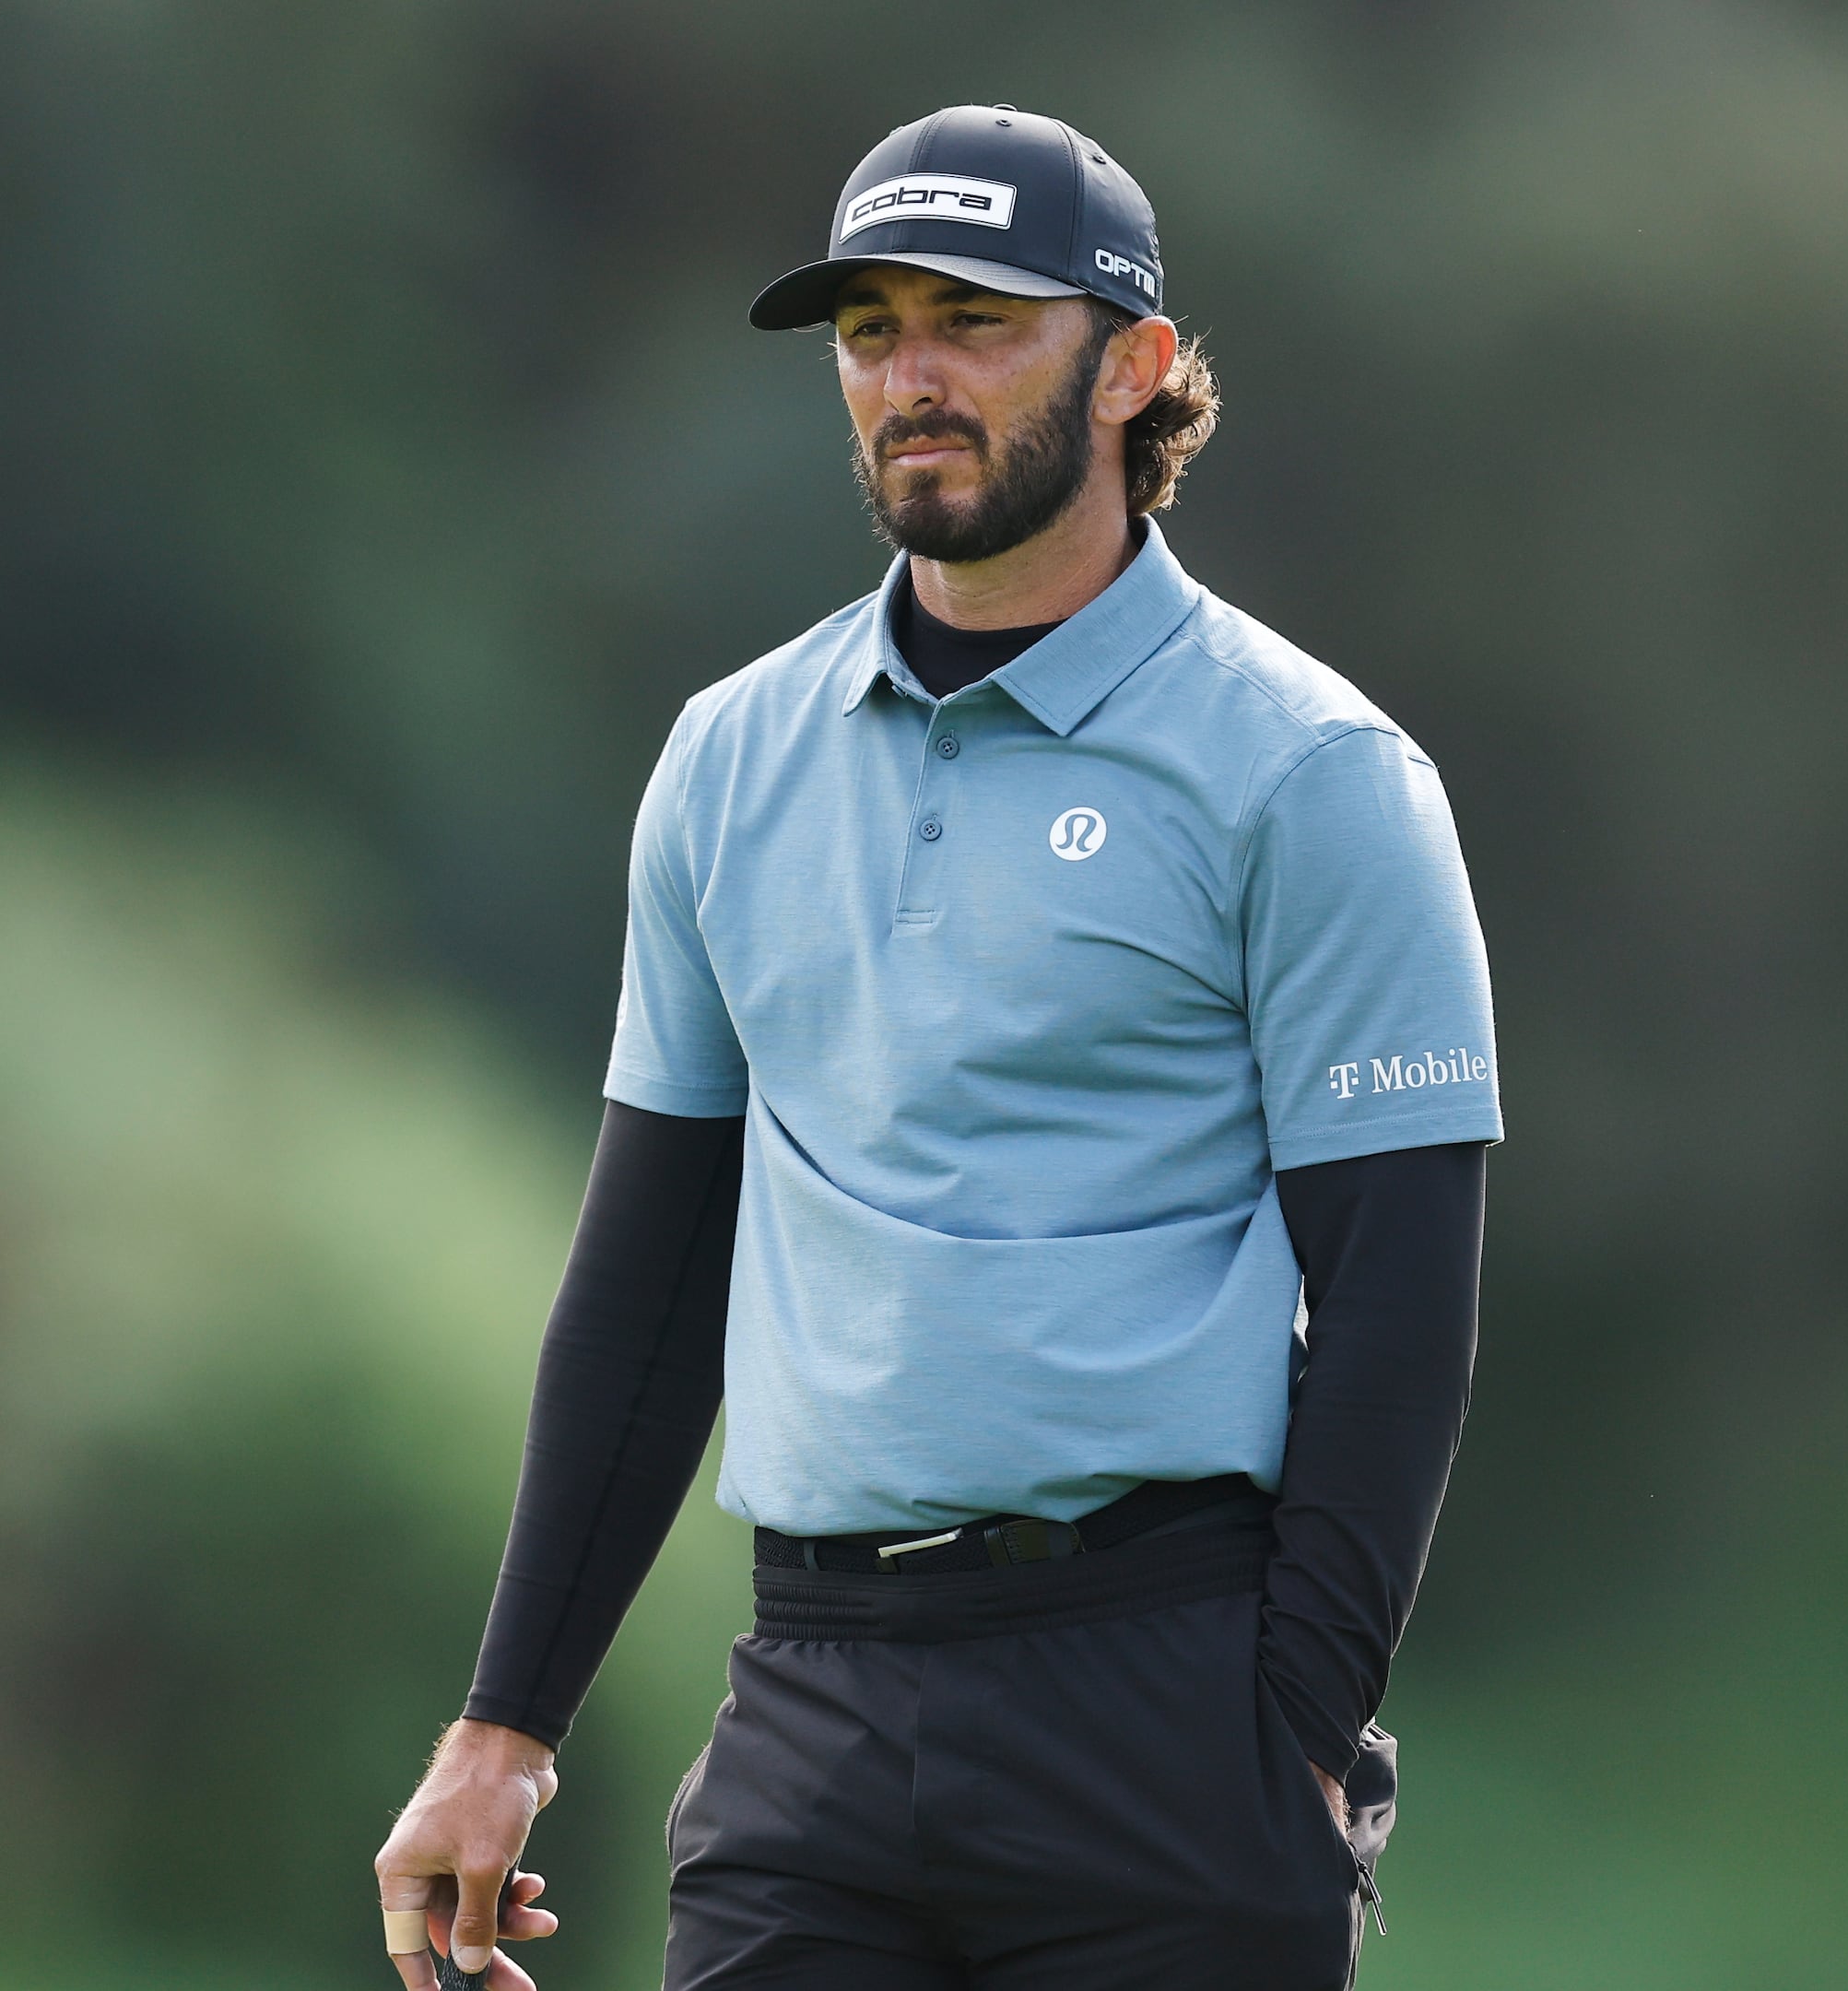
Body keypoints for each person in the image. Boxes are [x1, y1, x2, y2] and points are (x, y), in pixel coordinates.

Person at [373, 102, 1498, 1991]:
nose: (913, 376)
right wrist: (503, 1730)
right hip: (812, 1705)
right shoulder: (732, 759)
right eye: (872, 330)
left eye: (977, 322)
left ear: (1134, 368)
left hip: (1164, 1701)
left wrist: (1293, 1737)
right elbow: (651, 1285)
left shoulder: (1311, 776)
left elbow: (1399, 1303)